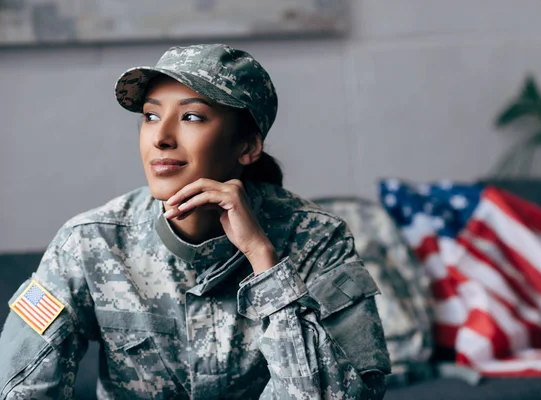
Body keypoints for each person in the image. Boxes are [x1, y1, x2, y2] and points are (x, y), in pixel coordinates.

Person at [0, 44, 390, 399]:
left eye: (191, 116)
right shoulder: (88, 242)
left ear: (247, 146)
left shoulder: (318, 240)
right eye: (151, 116)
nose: (161, 138)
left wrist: (263, 261)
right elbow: (20, 386)